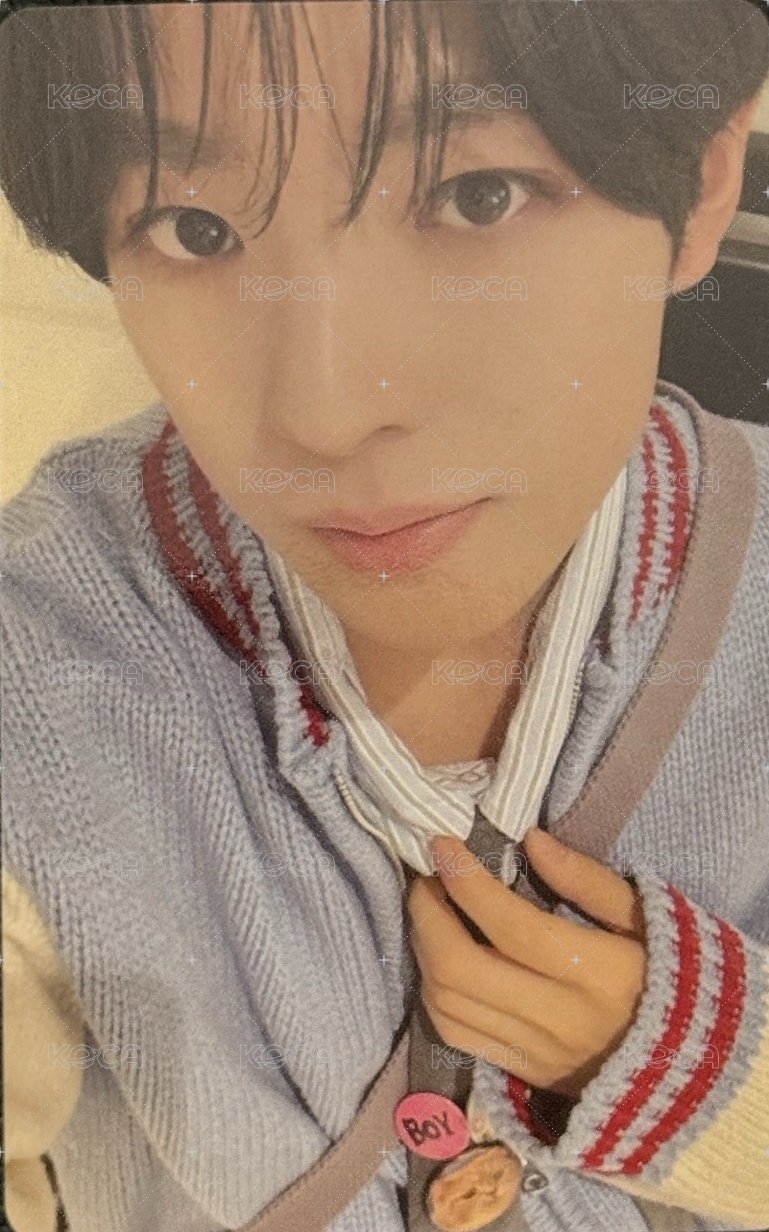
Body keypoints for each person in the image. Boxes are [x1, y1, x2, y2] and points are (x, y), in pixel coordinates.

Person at [2, 2, 769, 1230]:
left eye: (476, 195)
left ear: (702, 180)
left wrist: (714, 1083)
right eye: (194, 226)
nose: (326, 410)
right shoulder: (44, 664)